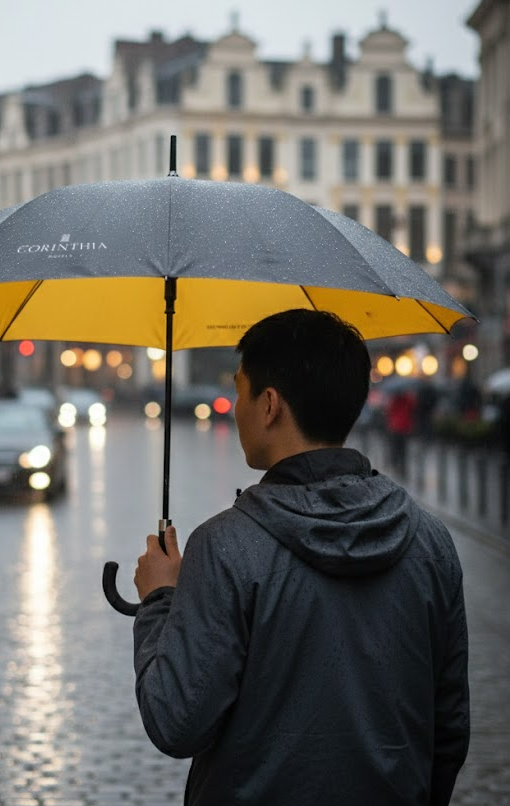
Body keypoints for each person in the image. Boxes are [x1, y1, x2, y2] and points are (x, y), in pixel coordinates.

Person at [133, 309, 469, 806]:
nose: (234, 407)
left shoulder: (224, 547)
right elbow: (449, 727)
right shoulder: (432, 541)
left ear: (269, 405)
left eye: (240, 389)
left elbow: (176, 722)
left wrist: (160, 599)